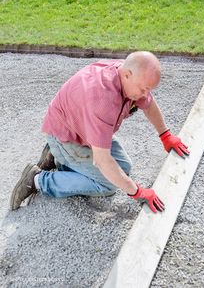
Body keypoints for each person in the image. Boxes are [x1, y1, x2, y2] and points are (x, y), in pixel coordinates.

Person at [10, 51, 189, 213]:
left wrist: (165, 135)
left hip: (81, 131)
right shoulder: (103, 100)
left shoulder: (128, 73)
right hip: (66, 136)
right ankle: (38, 179)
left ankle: (62, 159)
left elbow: (148, 104)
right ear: (127, 75)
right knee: (107, 184)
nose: (145, 94)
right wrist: (137, 192)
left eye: (148, 89)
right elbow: (102, 160)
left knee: (124, 168)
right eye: (143, 89)